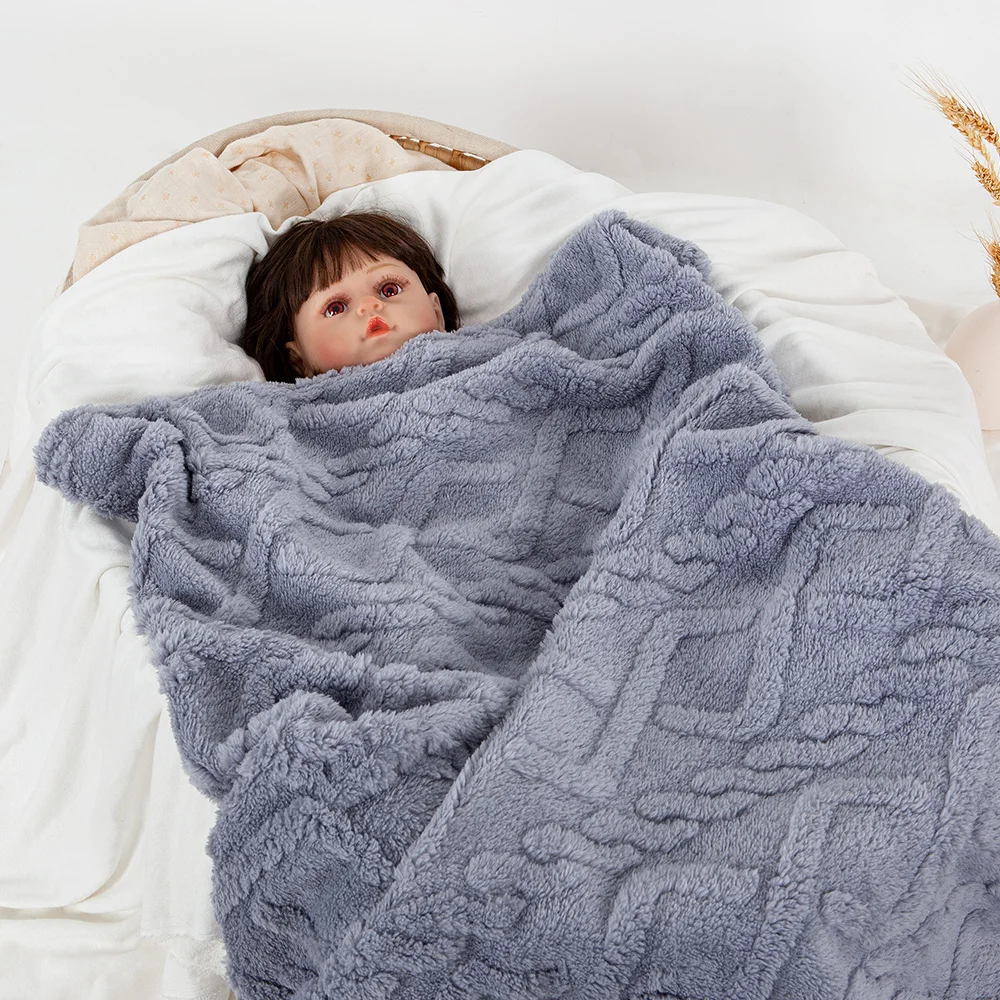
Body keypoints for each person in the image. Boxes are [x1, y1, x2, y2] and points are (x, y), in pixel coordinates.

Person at [241, 211, 461, 381]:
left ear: (437, 312)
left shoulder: (479, 355)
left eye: (389, 290)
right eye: (335, 308)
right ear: (299, 361)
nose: (369, 305)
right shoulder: (281, 413)